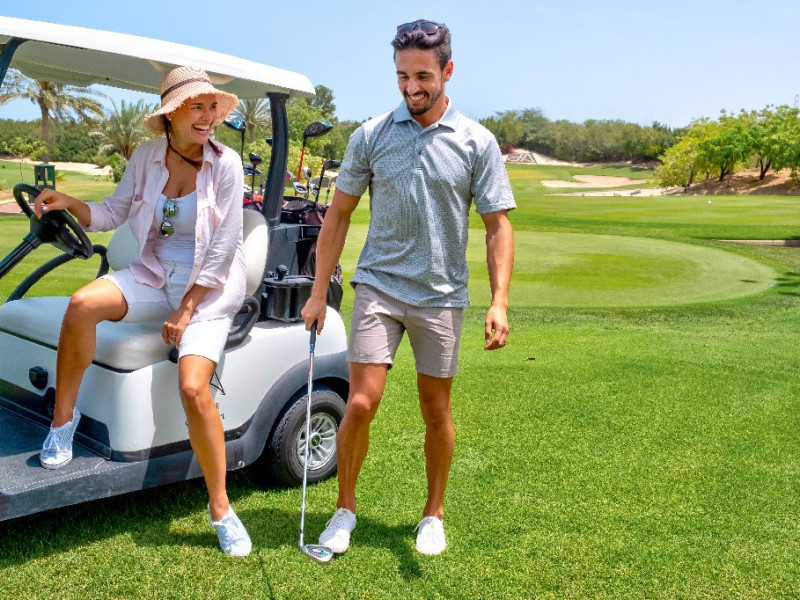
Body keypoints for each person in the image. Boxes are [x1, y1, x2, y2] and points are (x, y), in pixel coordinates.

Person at [300, 19, 515, 556]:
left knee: (435, 409)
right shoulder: (371, 135)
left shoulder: (476, 141)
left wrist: (499, 301)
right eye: (402, 76)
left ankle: (433, 514)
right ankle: (344, 509)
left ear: (447, 70)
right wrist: (317, 292)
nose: (411, 87)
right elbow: (338, 215)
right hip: (379, 285)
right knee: (361, 402)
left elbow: (497, 225)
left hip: (441, 294)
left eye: (422, 76)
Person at [33, 66, 252, 557]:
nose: (208, 117)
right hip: (155, 272)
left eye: (212, 107)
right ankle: (62, 425)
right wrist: (69, 201)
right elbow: (114, 213)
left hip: (210, 289)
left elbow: (224, 246)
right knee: (82, 304)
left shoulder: (227, 164)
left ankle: (221, 507)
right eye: (197, 107)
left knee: (193, 387)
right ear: (171, 114)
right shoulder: (148, 157)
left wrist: (187, 309)